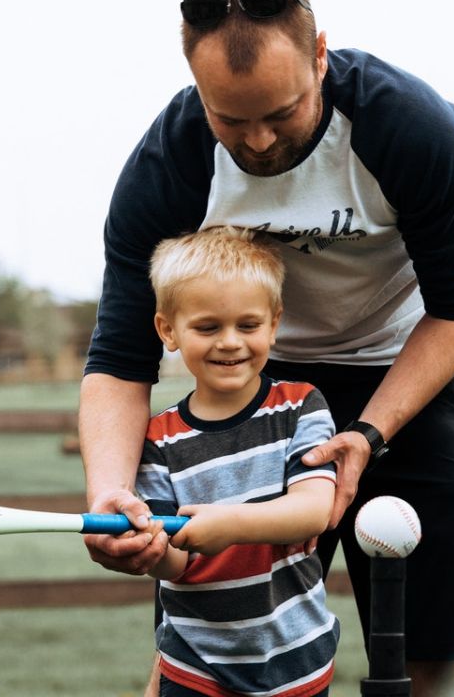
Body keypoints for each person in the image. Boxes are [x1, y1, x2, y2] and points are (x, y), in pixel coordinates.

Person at [79, 0, 454, 696]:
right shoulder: (168, 164)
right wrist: (112, 492)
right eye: (231, 119)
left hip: (404, 368)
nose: (262, 142)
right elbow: (119, 360)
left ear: (321, 56)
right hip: (256, 380)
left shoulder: (410, 130)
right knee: (212, 620)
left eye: (282, 111)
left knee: (437, 643)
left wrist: (368, 434)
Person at [138, 227, 339, 696]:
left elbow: (313, 511)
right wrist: (147, 548)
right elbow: (171, 562)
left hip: (297, 658)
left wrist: (228, 524)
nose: (230, 342)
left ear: (274, 323)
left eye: (247, 325)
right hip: (196, 666)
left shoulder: (300, 408)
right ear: (168, 330)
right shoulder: (158, 438)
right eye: (208, 327)